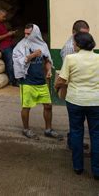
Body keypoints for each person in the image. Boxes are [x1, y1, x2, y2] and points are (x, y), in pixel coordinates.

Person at [55, 32, 99, 180]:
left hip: (75, 101)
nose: (73, 45)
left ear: (79, 45)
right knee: (96, 134)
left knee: (76, 132)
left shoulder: (71, 58)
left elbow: (61, 80)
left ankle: (78, 167)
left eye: (74, 43)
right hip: (96, 102)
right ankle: (97, 171)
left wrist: (56, 88)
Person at [13, 24, 62, 140]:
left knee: (48, 106)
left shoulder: (42, 45)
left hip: (41, 82)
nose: (26, 35)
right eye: (25, 33)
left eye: (28, 33)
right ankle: (26, 129)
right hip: (27, 82)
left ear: (35, 33)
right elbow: (17, 61)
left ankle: (48, 129)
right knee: (26, 106)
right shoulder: (21, 46)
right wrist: (32, 55)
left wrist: (49, 70)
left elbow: (47, 60)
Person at [60, 20, 90, 151]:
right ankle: (73, 143)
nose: (86, 38)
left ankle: (75, 141)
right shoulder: (69, 48)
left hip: (80, 89)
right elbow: (68, 73)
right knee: (76, 121)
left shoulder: (80, 45)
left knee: (78, 120)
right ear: (74, 33)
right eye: (83, 34)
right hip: (74, 89)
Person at [0, 9, 17, 86]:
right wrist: (8, 34)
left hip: (9, 44)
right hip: (4, 47)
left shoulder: (1, 23)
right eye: (3, 17)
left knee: (15, 61)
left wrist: (11, 34)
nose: (4, 19)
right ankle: (12, 81)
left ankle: (15, 78)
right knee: (10, 63)